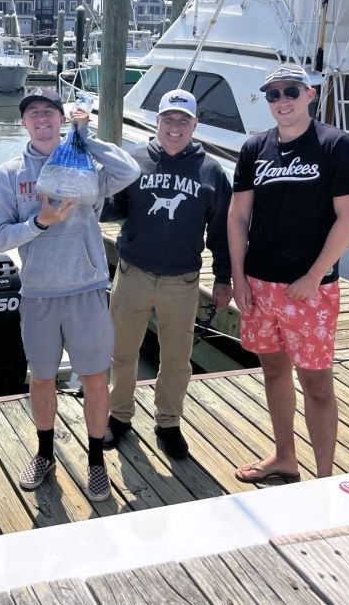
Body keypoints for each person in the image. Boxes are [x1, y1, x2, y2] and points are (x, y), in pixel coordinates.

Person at [0, 87, 140, 503]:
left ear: (61, 119)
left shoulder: (85, 162)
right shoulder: (10, 173)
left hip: (87, 288)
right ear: (23, 122)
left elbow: (128, 170)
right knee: (41, 379)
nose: (41, 119)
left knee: (94, 378)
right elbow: (1, 236)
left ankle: (96, 463)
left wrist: (86, 135)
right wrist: (40, 221)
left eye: (50, 112)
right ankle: (44, 453)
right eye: (33, 113)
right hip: (38, 293)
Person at [228, 63, 349, 484]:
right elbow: (237, 215)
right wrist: (238, 276)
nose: (282, 101)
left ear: (309, 94)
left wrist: (314, 275)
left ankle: (323, 479)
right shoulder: (255, 149)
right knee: (273, 370)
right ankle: (284, 457)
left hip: (311, 291)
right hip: (259, 286)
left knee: (318, 383)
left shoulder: (337, 146)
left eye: (290, 92)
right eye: (273, 95)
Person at [104, 89, 233, 459]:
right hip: (133, 274)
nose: (174, 127)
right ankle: (119, 416)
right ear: (156, 121)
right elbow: (111, 208)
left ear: (195, 125)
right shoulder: (134, 160)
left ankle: (168, 422)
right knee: (121, 353)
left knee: (176, 359)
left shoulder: (211, 171)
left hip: (183, 281)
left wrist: (224, 278)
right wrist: (83, 196)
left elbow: (221, 231)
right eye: (168, 119)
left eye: (183, 121)